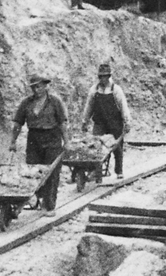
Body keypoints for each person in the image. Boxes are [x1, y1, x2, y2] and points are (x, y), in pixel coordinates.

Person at [9, 75, 68, 214]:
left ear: (45, 86)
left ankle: (49, 206)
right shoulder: (26, 103)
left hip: (52, 137)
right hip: (33, 138)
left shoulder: (54, 102)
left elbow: (62, 123)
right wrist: (13, 141)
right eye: (34, 87)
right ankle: (38, 198)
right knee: (33, 170)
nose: (36, 90)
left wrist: (66, 141)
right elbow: (18, 123)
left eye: (39, 86)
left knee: (51, 173)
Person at [80, 63, 132, 178]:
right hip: (100, 123)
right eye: (101, 76)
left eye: (105, 76)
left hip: (115, 123)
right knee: (96, 146)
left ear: (109, 76)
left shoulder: (116, 90)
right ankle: (95, 170)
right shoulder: (94, 90)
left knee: (117, 148)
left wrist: (127, 122)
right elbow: (89, 107)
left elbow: (123, 106)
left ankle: (119, 171)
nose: (103, 79)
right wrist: (85, 121)